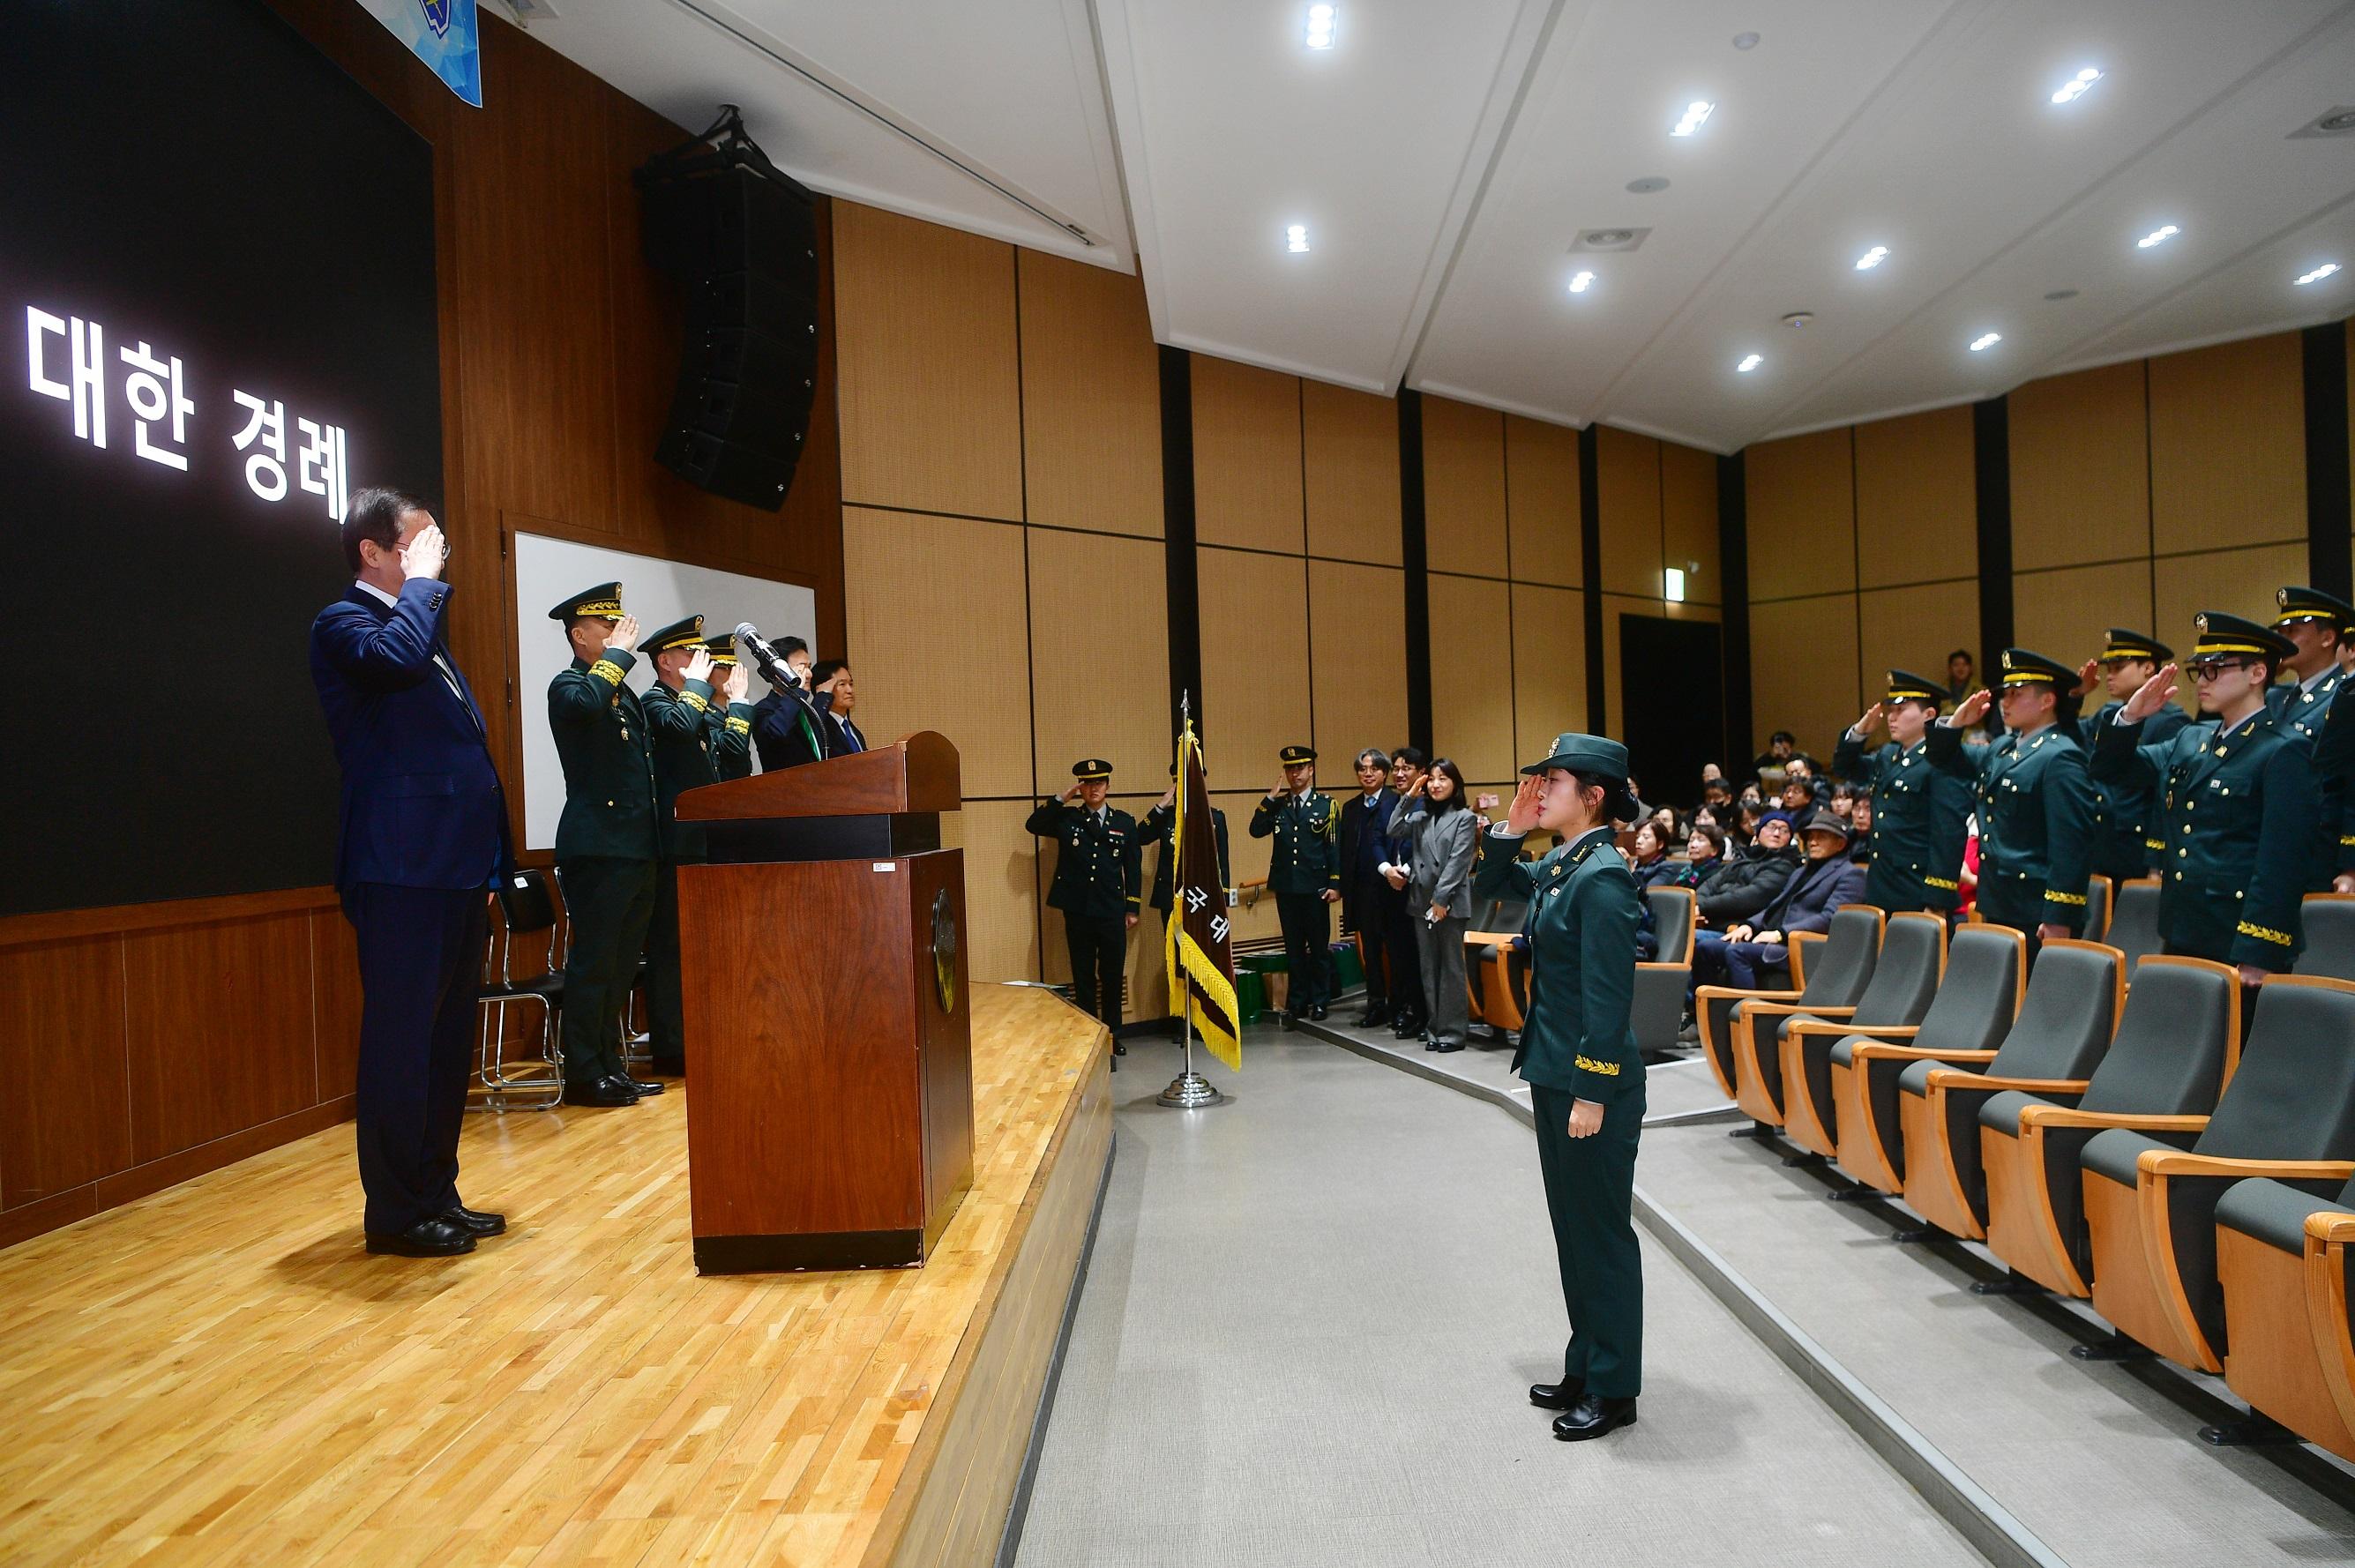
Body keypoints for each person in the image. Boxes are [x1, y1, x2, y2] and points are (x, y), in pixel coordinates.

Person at [310, 489, 510, 1258]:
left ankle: (436, 1193)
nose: (437, 557)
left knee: (446, 1039)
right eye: (422, 544)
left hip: (453, 867)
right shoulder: (346, 623)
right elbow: (394, 664)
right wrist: (423, 586)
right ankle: (395, 1212)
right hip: (399, 866)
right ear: (375, 550)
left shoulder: (417, 629)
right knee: (402, 1040)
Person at [1472, 733, 1646, 1441]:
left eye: (1554, 782)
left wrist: (1592, 1092)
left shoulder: (1601, 878)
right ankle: (1586, 1364)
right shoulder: (1567, 866)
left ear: (1594, 796)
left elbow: (1609, 1002)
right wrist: (1510, 832)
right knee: (1572, 1231)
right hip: (1553, 1070)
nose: (1540, 791)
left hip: (1588, 1082)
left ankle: (1614, 1387)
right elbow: (1492, 891)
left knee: (1600, 1236)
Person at [2091, 613, 2321, 1019]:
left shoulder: (2282, 751)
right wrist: (2131, 717)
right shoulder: (2190, 739)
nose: (2202, 680)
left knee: (2234, 1062)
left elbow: (2281, 862)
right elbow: (2111, 771)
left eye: (2215, 670)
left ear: (2257, 672)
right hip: (2183, 927)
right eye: (2199, 670)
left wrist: (2259, 947)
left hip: (2239, 940)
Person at [547, 582, 665, 1109]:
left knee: (620, 966)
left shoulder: (624, 696)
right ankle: (582, 1072)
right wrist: (616, 659)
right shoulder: (569, 686)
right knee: (593, 964)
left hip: (637, 846)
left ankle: (610, 1066)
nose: (618, 633)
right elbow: (584, 703)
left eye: (619, 626)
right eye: (606, 627)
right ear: (580, 636)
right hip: (598, 847)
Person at [639, 615, 753, 1078]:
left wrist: (740, 707)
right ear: (666, 662)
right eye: (691, 654)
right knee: (671, 952)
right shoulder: (655, 702)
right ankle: (672, 1046)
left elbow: (735, 764)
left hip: (704, 841)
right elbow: (681, 731)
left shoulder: (695, 704)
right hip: (674, 844)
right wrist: (704, 691)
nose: (701, 662)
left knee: (706, 951)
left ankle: (704, 1037)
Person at [1934, 648, 2097, 959]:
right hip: (1998, 900)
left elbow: (2072, 845)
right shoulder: (2002, 748)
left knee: (2038, 1002)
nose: (2004, 702)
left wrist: (2059, 916)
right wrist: (1956, 724)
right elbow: (1944, 760)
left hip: (2035, 909)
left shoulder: (2061, 756)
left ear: (2047, 701)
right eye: (2004, 694)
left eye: (2014, 694)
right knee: (2004, 1002)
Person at [1834, 670, 1973, 917]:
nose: (1891, 717)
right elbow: (1845, 768)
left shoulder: (1942, 761)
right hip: (1881, 886)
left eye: (1901, 710)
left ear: (1929, 715)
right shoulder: (1889, 755)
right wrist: (1859, 732)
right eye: (1890, 710)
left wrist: (1937, 900)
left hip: (1917, 890)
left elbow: (1948, 834)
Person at [1026, 760, 1141, 1048]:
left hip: (1112, 911)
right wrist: (1060, 798)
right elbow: (1034, 825)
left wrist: (1133, 908)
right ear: (1081, 787)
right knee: (1083, 974)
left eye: (1099, 783)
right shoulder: (1067, 819)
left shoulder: (1124, 822)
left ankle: (1113, 1036)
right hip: (1078, 911)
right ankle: (1090, 1037)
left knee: (1112, 975)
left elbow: (1133, 868)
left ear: (1107, 787)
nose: (1093, 789)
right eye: (1087, 784)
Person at [1690, 812, 1867, 990]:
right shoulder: (1801, 872)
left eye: (1821, 837)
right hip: (1775, 939)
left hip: (1804, 945)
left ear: (1840, 843)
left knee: (1738, 951)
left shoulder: (1850, 874)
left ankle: (1749, 1013)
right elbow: (1776, 906)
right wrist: (1749, 925)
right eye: (1811, 837)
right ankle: (1702, 1013)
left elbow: (1830, 918)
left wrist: (1781, 934)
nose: (1813, 842)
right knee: (1706, 948)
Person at [2067, 631, 2185, 884]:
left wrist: (2157, 857)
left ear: (2148, 668)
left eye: (2118, 667)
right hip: (2100, 840)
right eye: (2108, 668)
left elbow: (2166, 795)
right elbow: (2069, 740)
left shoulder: (2170, 721)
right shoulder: (2109, 713)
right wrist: (2076, 696)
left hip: (2136, 847)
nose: (2109, 675)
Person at [1386, 758, 1480, 1052]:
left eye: (1444, 779)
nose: (1436, 784)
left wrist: (1441, 900)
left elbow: (1458, 861)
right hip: (1420, 902)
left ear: (1455, 784)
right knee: (1429, 968)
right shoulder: (1419, 818)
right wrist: (1409, 797)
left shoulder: (1464, 817)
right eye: (1432, 779)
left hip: (1448, 904)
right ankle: (1434, 1028)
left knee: (1451, 969)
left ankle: (1452, 1032)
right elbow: (1392, 829)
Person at [1251, 744, 1341, 1026]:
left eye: (1300, 768)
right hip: (1287, 888)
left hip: (1315, 888)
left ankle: (1320, 1000)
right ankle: (1298, 1001)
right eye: (1290, 769)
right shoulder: (1278, 806)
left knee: (1318, 947)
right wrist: (1268, 798)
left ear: (1311, 770)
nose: (1295, 774)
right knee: (1293, 949)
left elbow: (1334, 848)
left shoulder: (1326, 805)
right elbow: (1256, 830)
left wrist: (1335, 883)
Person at [2270, 587, 2352, 891]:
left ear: (2328, 638)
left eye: (2293, 630)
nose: (2283, 637)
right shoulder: (2275, 698)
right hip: (2279, 847)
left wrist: (2351, 864)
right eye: (2281, 630)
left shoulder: (2345, 696)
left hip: (2321, 852)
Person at [1338, 748, 1419, 1034]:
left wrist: (1391, 871)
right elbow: (1345, 851)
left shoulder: (1394, 800)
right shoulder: (1349, 808)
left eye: (1374, 769)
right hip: (1361, 891)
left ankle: (1399, 1005)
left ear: (1384, 773)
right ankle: (1376, 1003)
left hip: (1393, 888)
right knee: (1370, 952)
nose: (1368, 773)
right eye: (1362, 769)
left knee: (1397, 951)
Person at [1144, 761, 1233, 994]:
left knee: (1205, 956)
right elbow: (1139, 836)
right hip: (1172, 899)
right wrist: (1161, 806)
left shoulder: (1215, 819)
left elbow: (1222, 862)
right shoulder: (1166, 818)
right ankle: (1182, 1019)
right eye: (1178, 781)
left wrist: (1223, 898)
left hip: (1204, 900)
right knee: (1178, 956)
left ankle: (1205, 1015)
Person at [1697, 810, 1799, 930]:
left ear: (1789, 839)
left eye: (1784, 830)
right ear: (1758, 833)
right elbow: (1709, 885)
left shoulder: (1785, 866)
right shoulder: (1743, 858)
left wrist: (1702, 908)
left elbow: (1749, 897)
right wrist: (1697, 906)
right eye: (1771, 827)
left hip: (1737, 928)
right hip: (1709, 919)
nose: (1776, 833)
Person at [750, 634, 833, 772]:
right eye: (801, 668)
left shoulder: (802, 707)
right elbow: (776, 733)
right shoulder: (762, 709)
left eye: (809, 667)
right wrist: (797, 691)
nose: (809, 674)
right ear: (778, 672)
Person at [704, 636, 757, 782]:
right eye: (726, 668)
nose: (733, 674)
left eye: (735, 668)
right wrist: (738, 698)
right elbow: (733, 750)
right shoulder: (701, 714)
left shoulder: (725, 712)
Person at [812, 657, 868, 754]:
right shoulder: (820, 729)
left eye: (851, 684)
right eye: (842, 684)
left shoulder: (854, 732)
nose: (850, 690)